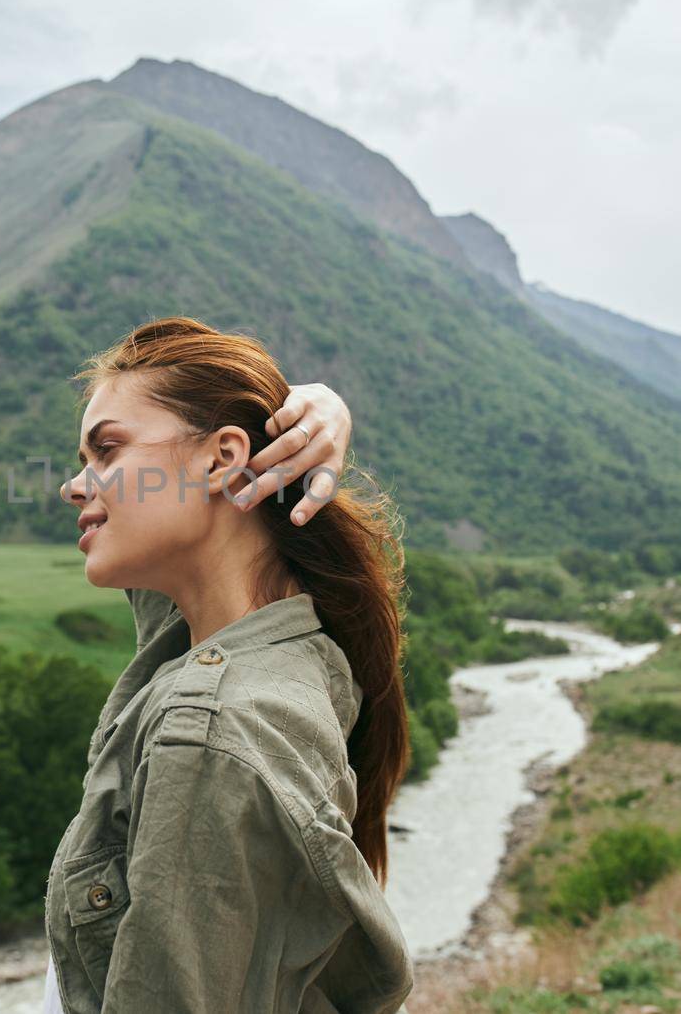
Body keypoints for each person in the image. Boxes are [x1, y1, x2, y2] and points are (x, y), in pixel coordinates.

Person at [44, 317, 415, 1013]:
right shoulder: (263, 645)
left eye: (107, 450)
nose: (73, 484)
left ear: (221, 460)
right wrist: (321, 412)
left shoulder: (211, 729)